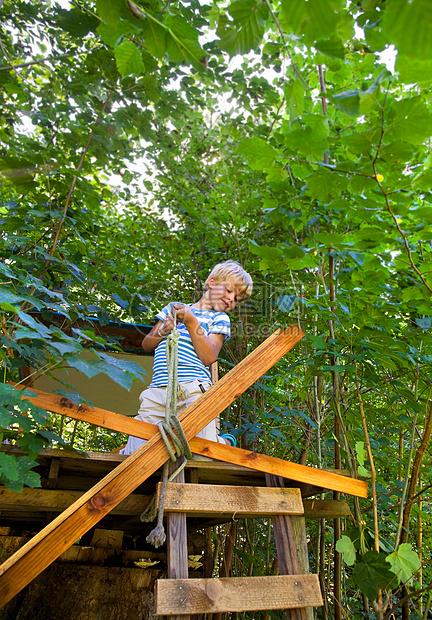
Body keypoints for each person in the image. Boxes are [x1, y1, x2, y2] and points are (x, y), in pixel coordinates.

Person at [119, 260, 253, 455]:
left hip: (193, 388)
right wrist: (164, 330)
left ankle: (219, 441)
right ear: (212, 282)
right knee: (136, 450)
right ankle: (218, 440)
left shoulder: (219, 319)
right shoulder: (173, 309)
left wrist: (191, 321)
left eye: (237, 299)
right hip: (159, 389)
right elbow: (147, 344)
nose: (231, 299)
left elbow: (208, 356)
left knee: (201, 452)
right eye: (229, 290)